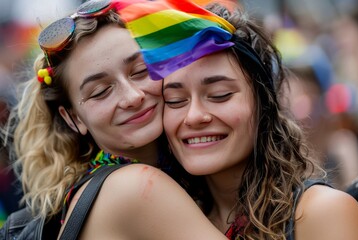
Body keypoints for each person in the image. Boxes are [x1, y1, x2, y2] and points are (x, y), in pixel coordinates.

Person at [126, 1, 358, 239]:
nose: (194, 116)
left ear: (263, 104)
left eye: (220, 95)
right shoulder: (158, 220)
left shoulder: (322, 212)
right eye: (175, 100)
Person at [0, 0, 230, 239]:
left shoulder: (95, 186)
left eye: (140, 71)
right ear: (73, 118)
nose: (132, 97)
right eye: (100, 91)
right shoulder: (135, 186)